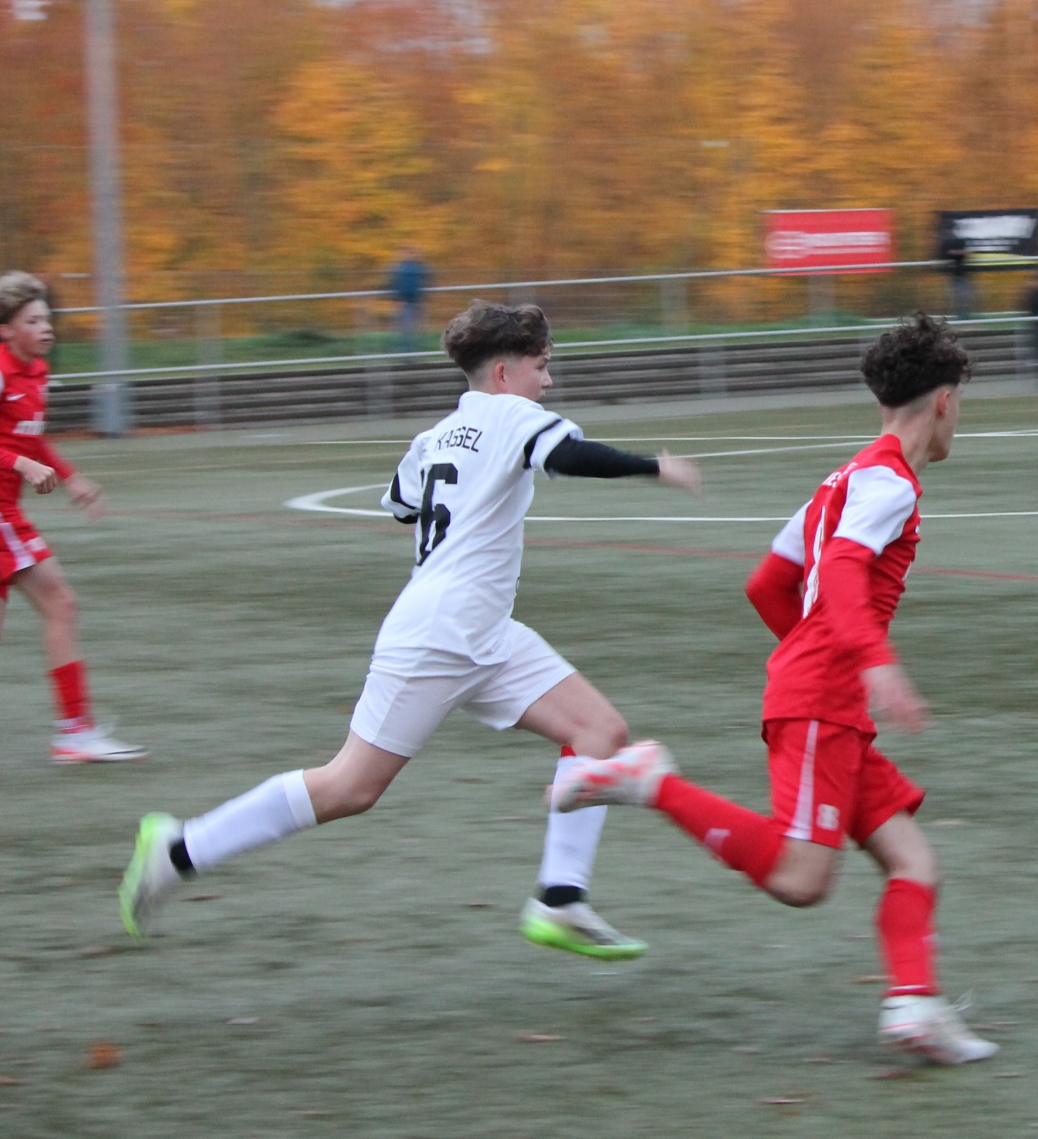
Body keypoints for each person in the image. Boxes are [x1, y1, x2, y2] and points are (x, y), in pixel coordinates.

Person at [119, 302, 703, 959]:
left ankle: (560, 902)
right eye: (541, 367)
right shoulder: (513, 416)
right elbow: (567, 456)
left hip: (484, 631)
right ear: (505, 373)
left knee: (599, 731)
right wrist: (655, 467)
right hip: (441, 632)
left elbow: (403, 504)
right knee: (350, 786)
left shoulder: (435, 436)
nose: (547, 381)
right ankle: (179, 848)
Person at [549, 314, 997, 1067]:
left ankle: (915, 1006)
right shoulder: (889, 483)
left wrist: (817, 659)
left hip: (824, 694)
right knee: (801, 879)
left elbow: (767, 584)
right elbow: (844, 569)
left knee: (913, 859)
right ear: (945, 402)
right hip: (824, 697)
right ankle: (651, 783)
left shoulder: (841, 480)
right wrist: (866, 660)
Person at [0, 272, 144, 763]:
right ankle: (75, 732)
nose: (46, 328)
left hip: (7, 514)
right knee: (60, 602)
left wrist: (70, 476)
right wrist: (22, 465)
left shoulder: (36, 372)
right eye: (32, 321)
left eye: (47, 319)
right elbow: (20, 450)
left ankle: (75, 731)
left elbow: (30, 436)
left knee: (59, 605)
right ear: (6, 330)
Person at [387, 246, 430, 352]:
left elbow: (392, 283)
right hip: (413, 301)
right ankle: (413, 351)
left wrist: (395, 299)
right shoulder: (419, 267)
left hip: (408, 302)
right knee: (412, 328)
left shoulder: (398, 268)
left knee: (406, 328)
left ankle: (407, 351)